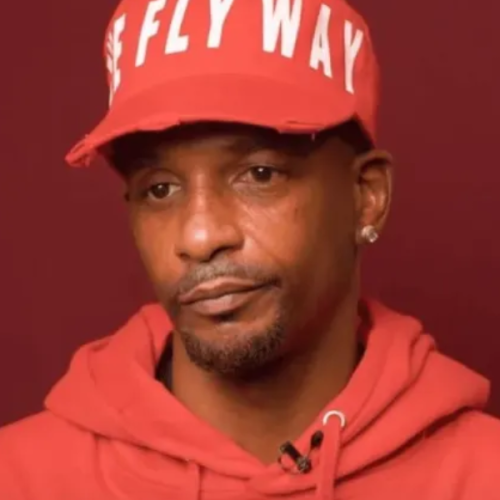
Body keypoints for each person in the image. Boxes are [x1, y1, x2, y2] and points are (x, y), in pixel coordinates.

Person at [1, 0, 499, 498]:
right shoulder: (20, 478)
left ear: (366, 197)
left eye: (259, 175)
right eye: (160, 188)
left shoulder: (483, 476)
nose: (198, 237)